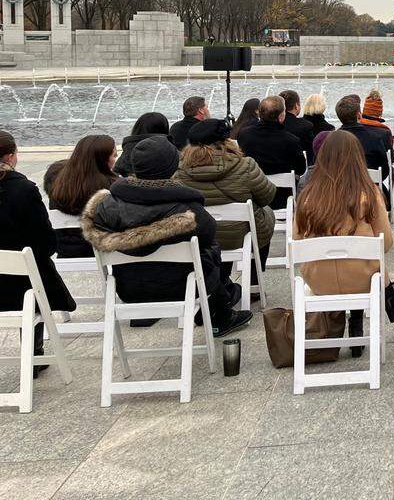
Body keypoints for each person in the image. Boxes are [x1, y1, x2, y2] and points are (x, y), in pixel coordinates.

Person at [81, 136, 251, 337]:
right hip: (183, 287)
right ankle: (220, 312)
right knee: (208, 248)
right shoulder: (187, 210)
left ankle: (220, 304)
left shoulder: (105, 207)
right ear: (172, 167)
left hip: (128, 288)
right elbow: (209, 235)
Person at [294, 130, 394, 353]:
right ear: (357, 157)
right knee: (366, 257)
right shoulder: (369, 194)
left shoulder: (307, 196)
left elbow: (296, 240)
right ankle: (374, 310)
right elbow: (386, 243)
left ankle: (364, 317)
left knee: (357, 259)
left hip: (319, 282)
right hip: (362, 280)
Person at [0, 130, 75, 376]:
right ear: (11, 156)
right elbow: (45, 242)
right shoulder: (24, 190)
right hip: (20, 284)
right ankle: (34, 353)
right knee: (37, 272)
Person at [173, 118, 276, 276]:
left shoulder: (179, 171)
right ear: (226, 141)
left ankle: (219, 276)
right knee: (266, 214)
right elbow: (267, 197)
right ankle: (255, 277)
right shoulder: (245, 165)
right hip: (238, 234)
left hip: (199, 235)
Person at [42, 134, 117, 258]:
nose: (116, 159)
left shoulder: (57, 181)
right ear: (101, 159)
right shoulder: (109, 186)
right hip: (99, 251)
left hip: (64, 248)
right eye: (114, 155)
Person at [236, 96, 307, 209]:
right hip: (282, 198)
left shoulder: (244, 135)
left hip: (254, 195)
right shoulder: (290, 140)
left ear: (260, 114)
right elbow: (301, 169)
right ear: (280, 117)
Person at [335, 94, 392, 179]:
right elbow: (384, 170)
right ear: (359, 115)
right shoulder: (375, 138)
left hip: (340, 187)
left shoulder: (332, 139)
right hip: (370, 185)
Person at [115, 112, 170, 176]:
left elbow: (118, 170)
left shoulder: (129, 147)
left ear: (137, 128)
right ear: (164, 129)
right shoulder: (168, 150)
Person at [279, 89, 316, 162]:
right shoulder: (305, 126)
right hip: (298, 169)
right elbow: (311, 152)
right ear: (296, 106)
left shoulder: (272, 125)